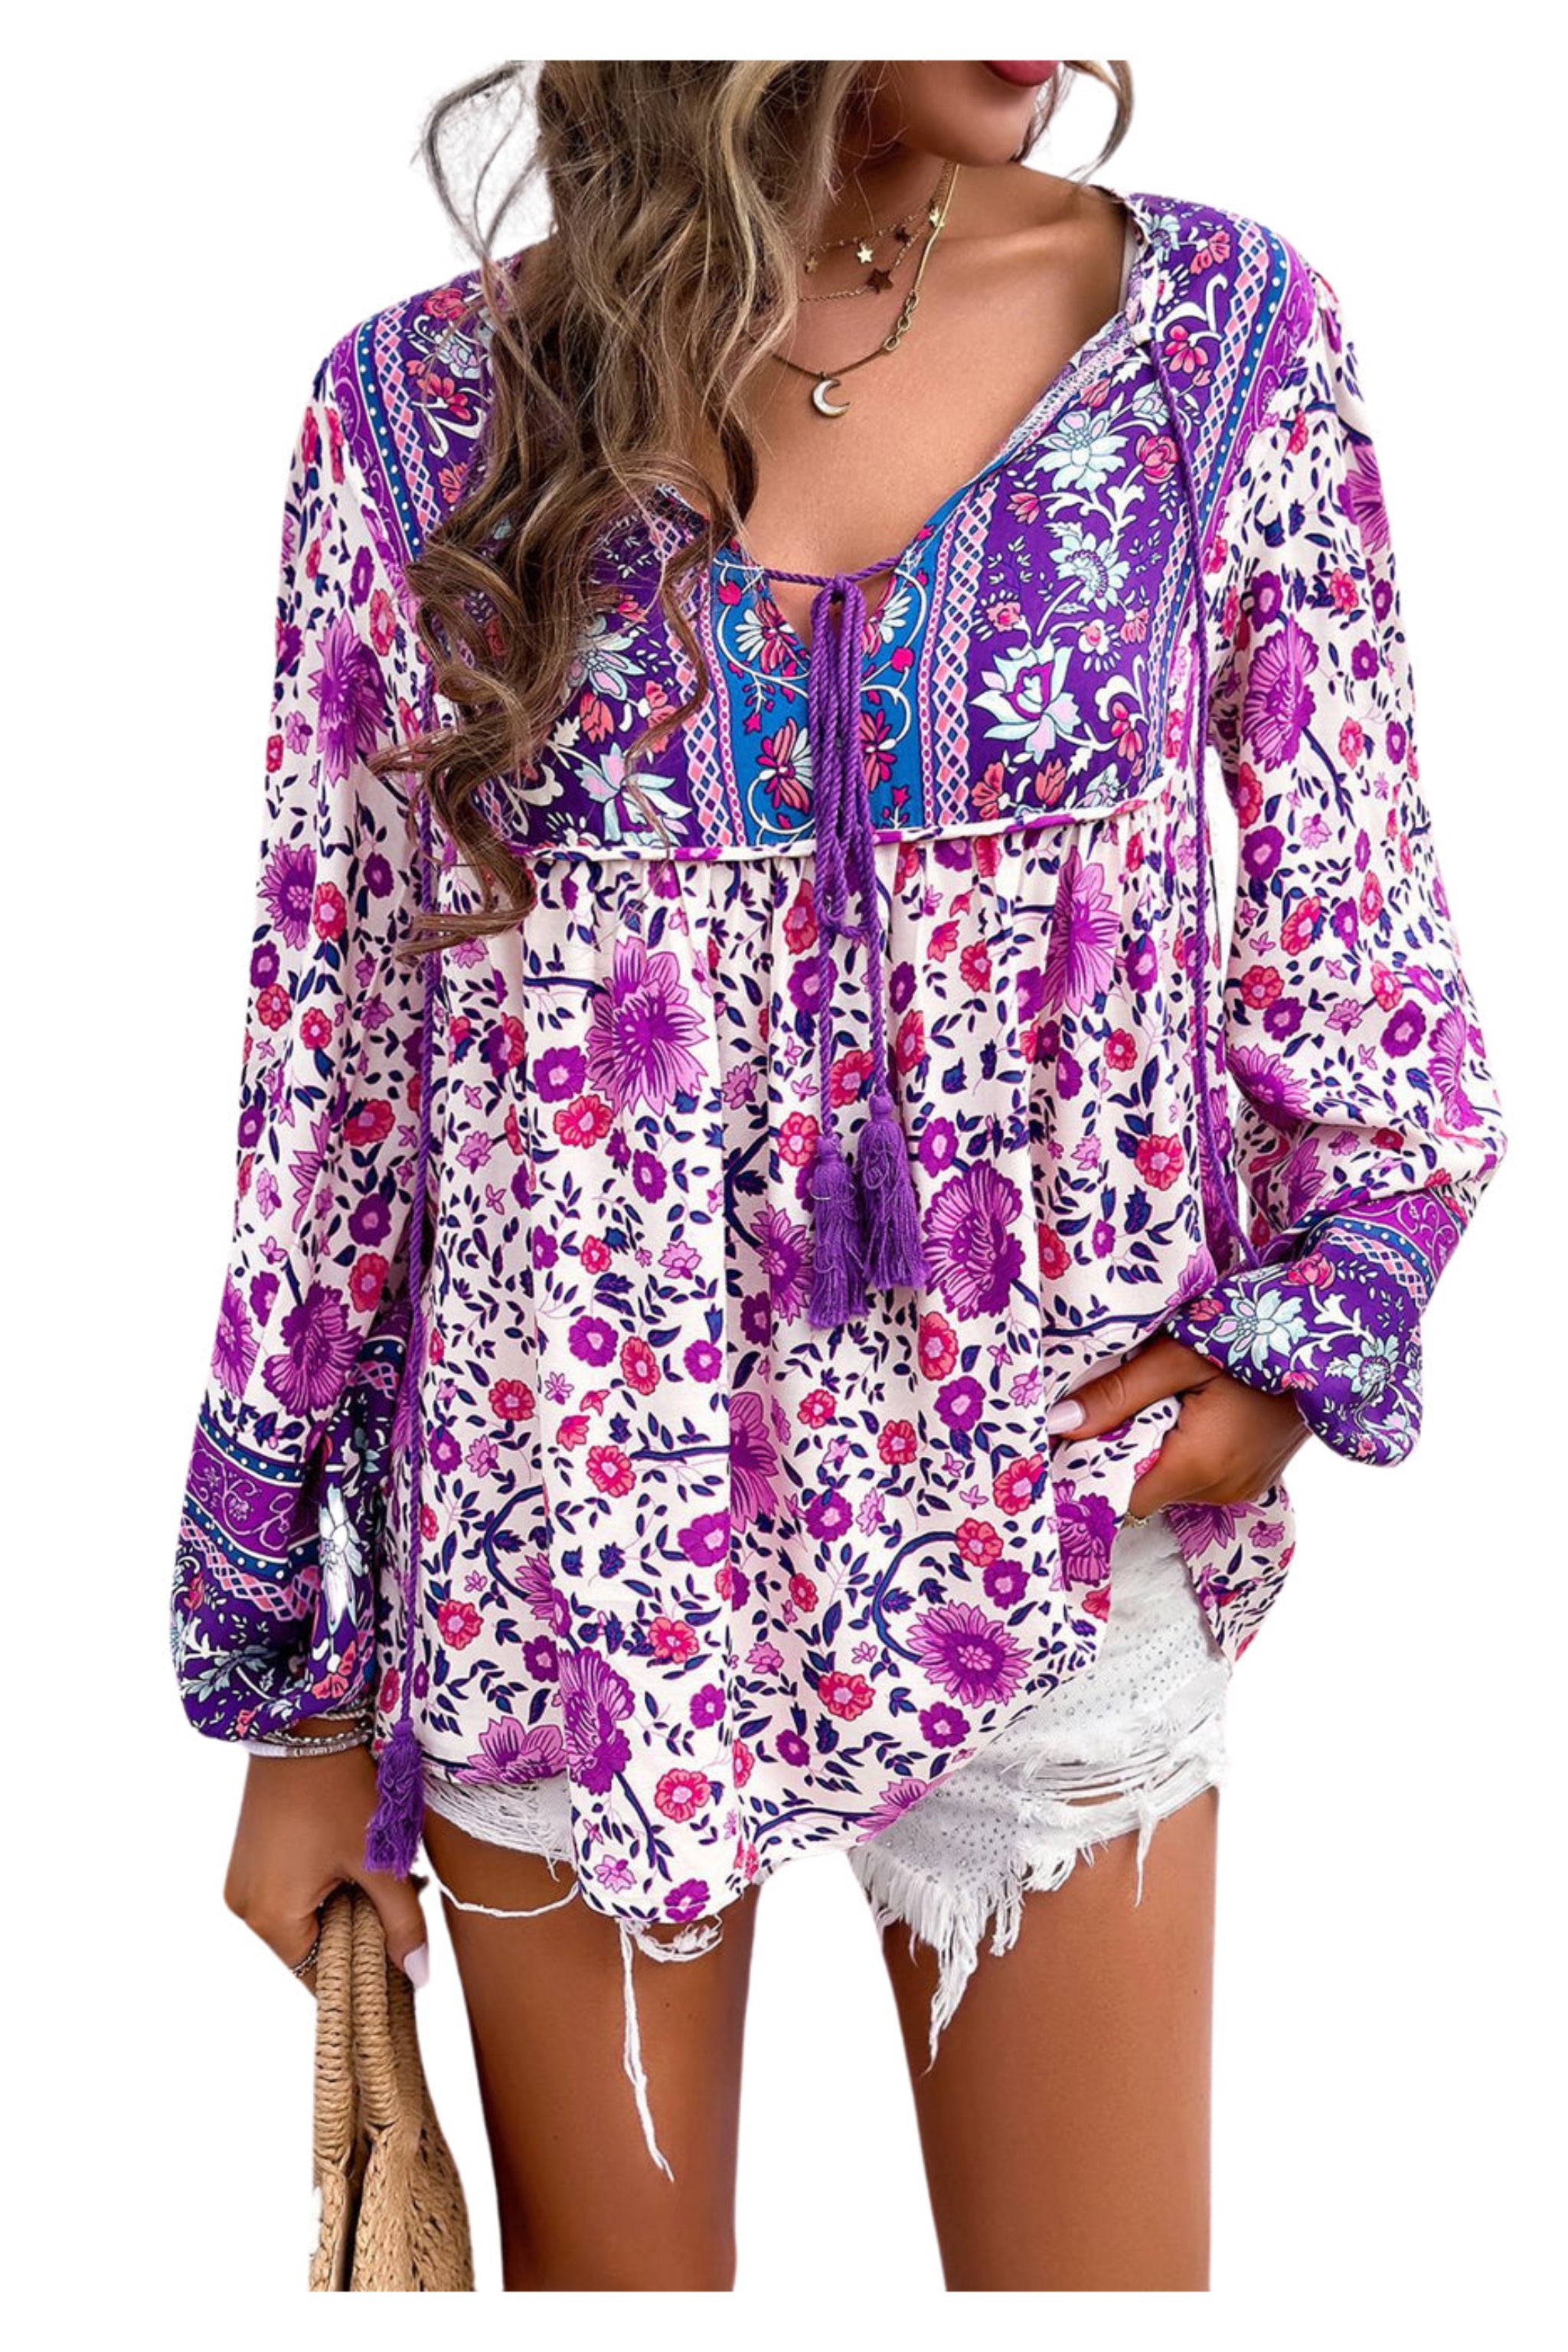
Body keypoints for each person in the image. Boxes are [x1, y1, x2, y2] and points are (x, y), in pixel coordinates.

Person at [173, 60, 1507, 2290]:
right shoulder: (420, 415)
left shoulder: (1216, 345)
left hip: (1058, 1493)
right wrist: (298, 1696)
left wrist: (1308, 1328)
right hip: (570, 1536)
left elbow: (1357, 916)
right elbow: (333, 1066)